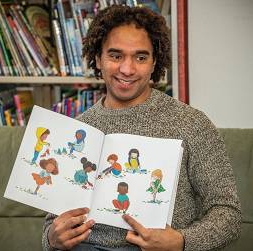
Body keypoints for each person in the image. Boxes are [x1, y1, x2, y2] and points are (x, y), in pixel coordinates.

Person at [42, 4, 241, 251]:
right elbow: (54, 219)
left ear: (154, 62)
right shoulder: (79, 129)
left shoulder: (192, 124)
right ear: (98, 59)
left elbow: (228, 214)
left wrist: (181, 241)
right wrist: (52, 237)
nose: (127, 69)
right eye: (116, 56)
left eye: (140, 57)